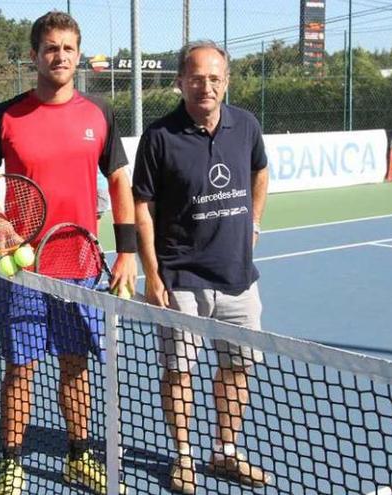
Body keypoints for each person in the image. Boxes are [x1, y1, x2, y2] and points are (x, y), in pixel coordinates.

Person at [0, 11, 137, 495]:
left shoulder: (99, 113)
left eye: (68, 48)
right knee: (20, 370)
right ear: (34, 55)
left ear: (78, 53)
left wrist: (127, 251)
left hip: (84, 266)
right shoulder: (5, 116)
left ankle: (78, 456)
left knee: (76, 366)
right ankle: (12, 463)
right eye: (51, 47)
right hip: (26, 269)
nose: (60, 56)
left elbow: (118, 181)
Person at [132, 40, 271, 494]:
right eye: (196, 77)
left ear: (226, 81)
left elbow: (260, 171)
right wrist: (152, 274)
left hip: (237, 278)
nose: (205, 86)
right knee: (180, 371)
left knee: (238, 368)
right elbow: (143, 208)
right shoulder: (159, 136)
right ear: (180, 82)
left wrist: (254, 223)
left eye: (214, 78)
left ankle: (225, 452)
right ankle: (185, 458)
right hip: (181, 279)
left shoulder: (246, 126)